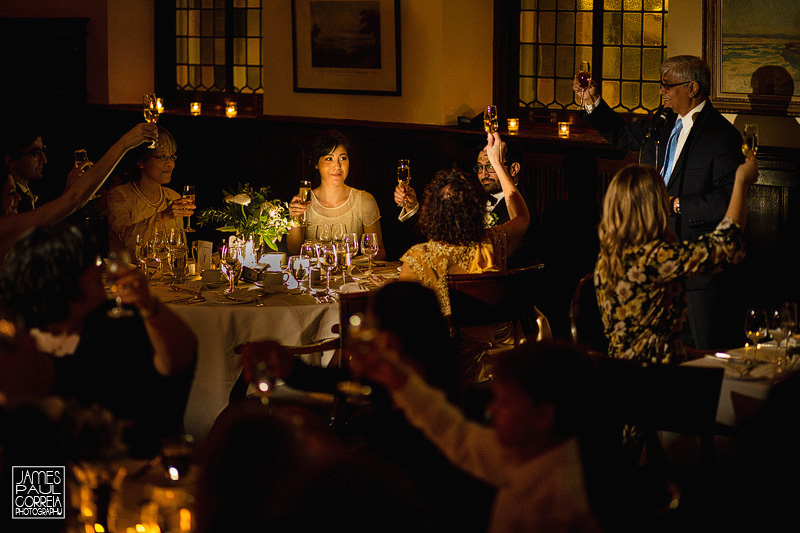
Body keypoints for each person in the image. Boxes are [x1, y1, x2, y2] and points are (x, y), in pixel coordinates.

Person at [238, 282, 493, 532]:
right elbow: (339, 383)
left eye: (369, 328)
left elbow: (392, 492)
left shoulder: (433, 422)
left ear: (388, 340)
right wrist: (290, 367)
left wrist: (327, 449)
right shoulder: (410, 379)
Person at [576, 54, 745, 350]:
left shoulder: (721, 135)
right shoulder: (662, 123)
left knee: (702, 355)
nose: (661, 91)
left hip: (693, 263)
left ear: (693, 88)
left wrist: (676, 205)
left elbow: (726, 198)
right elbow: (623, 135)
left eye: (667, 85)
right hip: (650, 254)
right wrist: (592, 103)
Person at [350, 339, 602, 533]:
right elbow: (455, 433)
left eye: (504, 401)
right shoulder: (528, 454)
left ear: (543, 415)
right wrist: (401, 381)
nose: (491, 410)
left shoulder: (554, 509)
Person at [0, 223, 197, 457]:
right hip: (41, 481)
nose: (102, 267)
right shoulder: (17, 342)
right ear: (60, 277)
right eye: (92, 262)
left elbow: (178, 362)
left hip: (123, 472)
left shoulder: (116, 321)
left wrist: (149, 306)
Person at [594, 159, 758, 364]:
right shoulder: (654, 257)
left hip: (620, 372)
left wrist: (714, 356)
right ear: (654, 206)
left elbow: (645, 339)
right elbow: (726, 245)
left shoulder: (609, 256)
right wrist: (741, 182)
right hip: (651, 381)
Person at [399, 132, 530, 314]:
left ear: (432, 212)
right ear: (477, 210)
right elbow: (522, 218)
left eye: (489, 167)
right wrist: (497, 163)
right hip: (502, 340)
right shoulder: (492, 243)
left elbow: (401, 312)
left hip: (446, 341)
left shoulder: (418, 258)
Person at [0, 123, 157, 257]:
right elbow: (74, 200)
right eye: (35, 153)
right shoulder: (5, 225)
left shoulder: (29, 197)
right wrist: (124, 144)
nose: (18, 197)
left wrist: (70, 192)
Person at [395, 140, 536, 267]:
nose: (483, 174)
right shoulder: (472, 199)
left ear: (514, 168)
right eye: (479, 167)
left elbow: (512, 259)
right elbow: (437, 238)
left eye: (491, 166)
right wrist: (411, 207)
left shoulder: (525, 206)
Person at [286, 130, 386, 259]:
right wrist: (294, 218)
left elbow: (379, 252)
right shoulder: (303, 202)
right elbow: (295, 251)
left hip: (353, 277)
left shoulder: (364, 200)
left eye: (343, 158)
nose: (337, 166)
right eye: (329, 159)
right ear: (316, 163)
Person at [107, 126, 195, 254]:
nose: (170, 164)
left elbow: (181, 249)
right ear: (141, 162)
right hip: (130, 272)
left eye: (172, 157)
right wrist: (164, 215)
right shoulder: (120, 196)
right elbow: (125, 241)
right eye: (163, 157)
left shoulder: (173, 197)